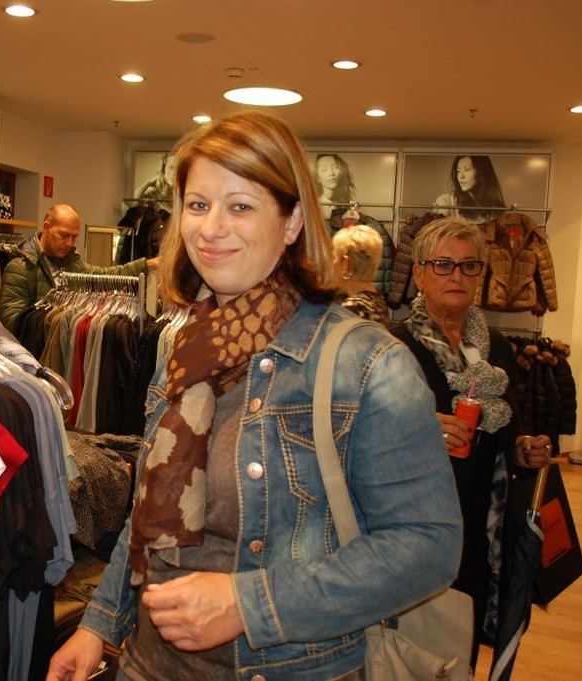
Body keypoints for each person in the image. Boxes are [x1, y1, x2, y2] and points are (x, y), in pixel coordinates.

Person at [46, 111, 462, 681]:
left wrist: (251, 604)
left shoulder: (365, 365)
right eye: (198, 205)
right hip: (147, 664)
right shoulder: (185, 349)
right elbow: (146, 518)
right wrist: (98, 625)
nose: (211, 228)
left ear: (292, 223)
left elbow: (428, 546)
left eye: (240, 206)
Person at [389, 216, 553, 670]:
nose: (456, 276)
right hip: (422, 519)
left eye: (469, 265)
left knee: (468, 628)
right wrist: (422, 431)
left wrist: (521, 447)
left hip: (484, 519)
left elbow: (506, 421)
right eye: (443, 265)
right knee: (418, 643)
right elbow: (363, 437)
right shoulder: (393, 348)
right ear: (419, 274)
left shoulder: (495, 347)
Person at [0, 203, 157, 334]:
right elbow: (11, 322)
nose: (69, 243)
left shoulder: (72, 264)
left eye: (74, 237)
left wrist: (146, 264)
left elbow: (106, 275)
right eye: (64, 235)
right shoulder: (21, 267)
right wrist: (58, 321)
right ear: (47, 227)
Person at [332, 224, 388, 325]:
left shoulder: (352, 309)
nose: (333, 263)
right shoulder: (378, 300)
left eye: (334, 257)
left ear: (346, 264)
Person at [434, 155, 506, 222]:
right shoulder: (446, 201)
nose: (461, 176)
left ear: (482, 172)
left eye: (467, 169)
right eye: (458, 171)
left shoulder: (494, 206)